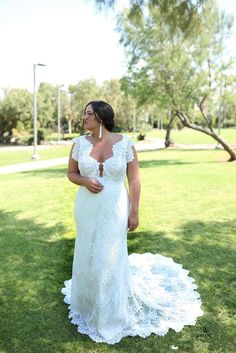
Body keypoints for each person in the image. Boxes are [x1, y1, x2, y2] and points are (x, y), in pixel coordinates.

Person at [61, 100, 203, 344]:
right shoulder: (78, 144)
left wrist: (134, 211)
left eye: (88, 115)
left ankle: (110, 314)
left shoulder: (125, 144)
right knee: (88, 252)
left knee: (110, 256)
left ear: (101, 118)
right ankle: (87, 304)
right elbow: (71, 174)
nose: (83, 118)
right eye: (84, 114)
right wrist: (86, 181)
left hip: (116, 205)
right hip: (86, 207)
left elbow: (134, 179)